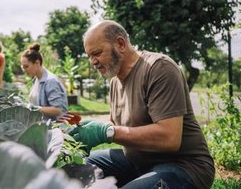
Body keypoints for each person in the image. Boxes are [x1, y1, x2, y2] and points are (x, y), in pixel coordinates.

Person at [70, 20, 214, 189]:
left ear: (121, 44)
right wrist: (92, 130)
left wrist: (107, 133)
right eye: (89, 56)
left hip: (183, 166)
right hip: (137, 162)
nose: (92, 62)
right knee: (75, 169)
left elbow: (169, 138)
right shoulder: (115, 81)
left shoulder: (159, 68)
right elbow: (116, 125)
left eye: (97, 53)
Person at [21, 42, 68, 121]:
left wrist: (35, 108)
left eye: (26, 66)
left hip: (55, 129)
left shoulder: (50, 81)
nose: (24, 70)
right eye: (22, 67)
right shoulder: (36, 80)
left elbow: (57, 110)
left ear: (37, 63)